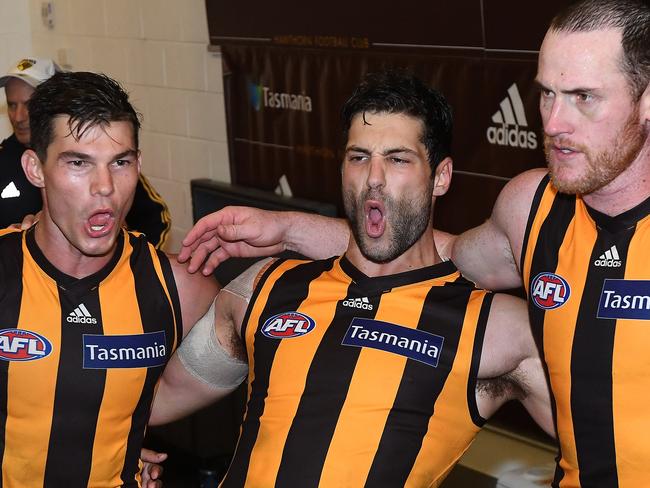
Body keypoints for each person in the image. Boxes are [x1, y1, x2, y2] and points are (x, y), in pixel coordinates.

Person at [178, 0, 650, 486]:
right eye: (547, 94)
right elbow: (429, 253)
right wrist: (293, 229)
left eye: (584, 97)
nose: (552, 123)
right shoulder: (534, 207)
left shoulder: (507, 326)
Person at [155, 71, 553, 486]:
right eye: (358, 157)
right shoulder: (264, 286)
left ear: (441, 176)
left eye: (398, 159)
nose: (373, 177)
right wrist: (125, 448)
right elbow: (156, 400)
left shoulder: (497, 328)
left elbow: (610, 446)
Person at [0, 71, 221, 487]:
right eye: (78, 163)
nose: (105, 187)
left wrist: (116, 432)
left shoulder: (180, 287)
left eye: (120, 162)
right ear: (35, 168)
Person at [0, 57, 172, 248]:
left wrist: (134, 265)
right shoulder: (4, 160)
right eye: (12, 105)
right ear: (34, 168)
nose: (18, 116)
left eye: (29, 105)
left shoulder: (112, 168)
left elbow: (156, 219)